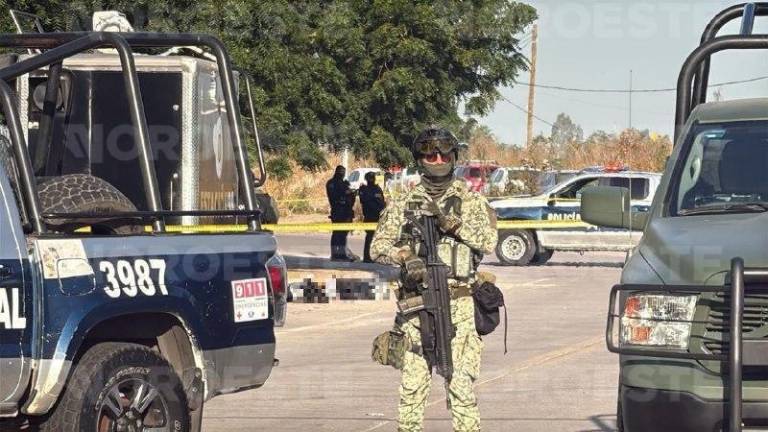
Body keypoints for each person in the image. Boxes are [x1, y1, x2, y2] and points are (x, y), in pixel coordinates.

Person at [370, 126, 498, 432]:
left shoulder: (470, 200)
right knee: (412, 390)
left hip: (460, 306)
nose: (437, 159)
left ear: (453, 158)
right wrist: (405, 257)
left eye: (443, 154)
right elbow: (378, 247)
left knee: (461, 386)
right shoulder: (403, 202)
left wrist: (448, 223)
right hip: (416, 308)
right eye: (430, 154)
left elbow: (488, 241)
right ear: (420, 160)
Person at [326, 165, 359, 261]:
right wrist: (345, 193)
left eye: (343, 172)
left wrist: (350, 193)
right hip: (338, 210)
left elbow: (350, 196)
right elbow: (334, 197)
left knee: (342, 233)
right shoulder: (332, 183)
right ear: (337, 172)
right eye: (341, 172)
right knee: (337, 233)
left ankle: (341, 254)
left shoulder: (344, 183)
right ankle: (336, 255)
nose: (342, 174)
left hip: (346, 211)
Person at [358, 171, 386, 263]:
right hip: (369, 216)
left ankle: (375, 256)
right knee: (369, 236)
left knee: (378, 237)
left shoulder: (377, 189)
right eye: (370, 178)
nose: (372, 180)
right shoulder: (363, 189)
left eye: (372, 178)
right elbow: (364, 201)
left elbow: (382, 202)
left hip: (378, 215)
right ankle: (367, 257)